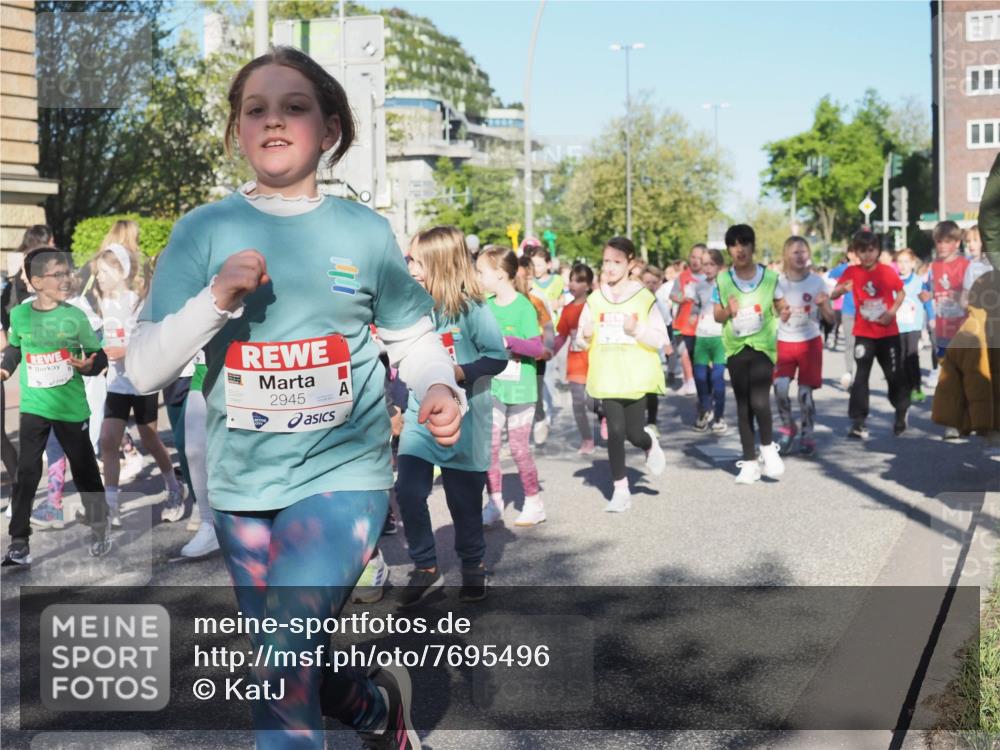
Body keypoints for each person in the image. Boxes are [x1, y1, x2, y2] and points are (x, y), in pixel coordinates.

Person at [125, 46, 463, 749]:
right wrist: (216, 300)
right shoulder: (203, 230)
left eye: (295, 107)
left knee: (279, 665)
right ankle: (374, 710)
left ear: (331, 129)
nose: (273, 121)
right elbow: (148, 368)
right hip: (244, 486)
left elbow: (413, 338)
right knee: (288, 659)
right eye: (256, 110)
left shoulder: (363, 231)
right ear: (237, 131)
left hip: (343, 478)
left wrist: (436, 386)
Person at [395, 226, 507, 607]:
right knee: (408, 491)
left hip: (466, 422)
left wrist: (454, 374)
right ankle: (425, 565)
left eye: (416, 261)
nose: (409, 266)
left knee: (463, 502)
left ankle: (473, 564)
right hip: (419, 418)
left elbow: (497, 357)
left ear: (439, 265)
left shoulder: (471, 309)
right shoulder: (409, 307)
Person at [1, 247, 111, 565]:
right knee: (27, 470)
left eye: (67, 272)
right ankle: (19, 542)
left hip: (70, 406)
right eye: (58, 273)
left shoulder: (74, 316)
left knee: (84, 469)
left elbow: (97, 356)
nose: (66, 278)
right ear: (36, 281)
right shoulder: (20, 314)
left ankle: (100, 527)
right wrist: (5, 367)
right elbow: (15, 349)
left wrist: (89, 364)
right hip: (35, 404)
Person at [93, 237, 185, 526]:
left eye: (104, 272)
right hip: (118, 383)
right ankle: (111, 505)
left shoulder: (138, 303)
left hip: (142, 379)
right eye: (97, 272)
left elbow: (152, 340)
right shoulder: (102, 304)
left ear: (121, 273)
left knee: (149, 438)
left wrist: (126, 351)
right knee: (108, 439)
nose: (98, 277)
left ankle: (173, 487)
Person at [576, 236, 667, 512]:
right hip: (607, 376)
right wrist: (585, 336)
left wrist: (636, 330)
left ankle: (649, 443)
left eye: (617, 261)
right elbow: (580, 340)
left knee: (634, 434)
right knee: (614, 431)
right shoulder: (594, 299)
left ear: (631, 263)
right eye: (606, 261)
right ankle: (620, 489)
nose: (610, 267)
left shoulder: (643, 297)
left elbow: (660, 338)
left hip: (636, 376)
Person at [478, 245, 546, 527]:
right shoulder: (486, 306)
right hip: (492, 387)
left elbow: (538, 347)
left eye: (481, 271)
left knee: (518, 447)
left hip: (520, 388)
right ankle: (494, 502)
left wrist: (510, 343)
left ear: (501, 274)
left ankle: (533, 501)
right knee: (489, 447)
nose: (478, 276)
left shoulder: (524, 307)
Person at [713, 225, 786, 485]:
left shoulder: (770, 277)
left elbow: (779, 304)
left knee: (759, 400)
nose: (739, 249)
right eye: (734, 245)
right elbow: (716, 314)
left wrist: (785, 311)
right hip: (735, 347)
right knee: (743, 406)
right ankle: (750, 462)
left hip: (763, 346)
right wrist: (728, 311)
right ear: (729, 249)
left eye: (744, 244)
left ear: (753, 246)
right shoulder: (722, 280)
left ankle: (767, 448)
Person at [830, 230, 910, 439]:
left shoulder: (886, 272)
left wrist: (891, 313)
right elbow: (834, 293)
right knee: (861, 377)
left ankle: (901, 411)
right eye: (862, 251)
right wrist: (842, 290)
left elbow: (901, 293)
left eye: (871, 250)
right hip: (864, 333)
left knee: (893, 375)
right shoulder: (852, 272)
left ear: (877, 251)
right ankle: (858, 421)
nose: (867, 255)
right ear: (856, 253)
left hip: (887, 332)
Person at [773, 237, 834, 457]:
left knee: (804, 393)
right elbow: (774, 311)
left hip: (810, 342)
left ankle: (807, 433)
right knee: (779, 387)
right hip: (785, 341)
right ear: (786, 256)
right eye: (794, 253)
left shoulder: (818, 282)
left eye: (803, 252)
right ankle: (789, 425)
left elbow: (830, 319)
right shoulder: (778, 282)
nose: (800, 257)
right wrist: (782, 312)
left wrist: (823, 305)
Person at [554, 262, 595, 454]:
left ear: (587, 285)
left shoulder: (595, 306)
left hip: (595, 361)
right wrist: (549, 351)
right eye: (571, 280)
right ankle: (587, 439)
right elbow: (561, 336)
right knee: (578, 402)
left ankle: (603, 415)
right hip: (576, 362)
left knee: (594, 402)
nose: (573, 284)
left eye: (578, 281)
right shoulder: (568, 309)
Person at [515, 253, 555, 445]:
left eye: (529, 276)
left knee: (535, 391)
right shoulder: (509, 298)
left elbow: (548, 325)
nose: (526, 281)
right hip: (515, 356)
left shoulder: (538, 298)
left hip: (537, 354)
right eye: (522, 277)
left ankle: (539, 419)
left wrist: (548, 346)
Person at [688, 248, 728, 434]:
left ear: (719, 266)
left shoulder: (726, 284)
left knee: (717, 378)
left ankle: (719, 416)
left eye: (712, 264)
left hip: (720, 337)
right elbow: (696, 306)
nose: (708, 268)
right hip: (702, 336)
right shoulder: (699, 286)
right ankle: (706, 409)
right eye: (705, 264)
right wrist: (692, 316)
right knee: (700, 376)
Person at [894, 249, 928, 403]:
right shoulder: (893, 281)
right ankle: (904, 387)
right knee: (900, 358)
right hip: (898, 326)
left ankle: (917, 388)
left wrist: (931, 320)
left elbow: (926, 301)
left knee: (912, 355)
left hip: (914, 325)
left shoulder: (919, 281)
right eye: (900, 261)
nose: (902, 265)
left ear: (913, 263)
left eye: (906, 261)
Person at [671, 244, 705, 395]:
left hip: (702, 323)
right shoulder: (683, 276)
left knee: (696, 354)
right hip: (682, 322)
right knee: (683, 352)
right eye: (693, 257)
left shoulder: (708, 277)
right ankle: (689, 381)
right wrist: (682, 298)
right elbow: (673, 295)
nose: (696, 261)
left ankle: (697, 381)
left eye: (699, 258)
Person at [962, 225, 992, 306]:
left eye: (975, 240)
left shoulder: (994, 263)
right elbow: (966, 294)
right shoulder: (971, 266)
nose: (970, 244)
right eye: (968, 241)